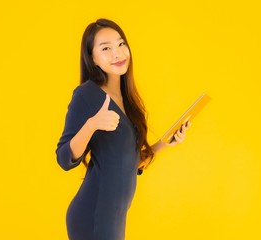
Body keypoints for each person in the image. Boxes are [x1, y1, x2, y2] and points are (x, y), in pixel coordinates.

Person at [56, 18, 190, 240]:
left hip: (114, 216)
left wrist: (164, 143)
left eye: (120, 44)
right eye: (106, 48)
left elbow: (126, 162)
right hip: (93, 214)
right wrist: (92, 125)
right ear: (93, 58)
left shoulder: (127, 99)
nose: (117, 53)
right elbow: (64, 158)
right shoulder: (86, 95)